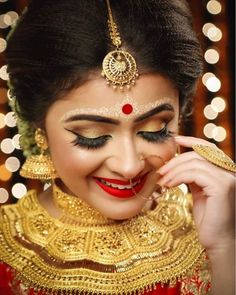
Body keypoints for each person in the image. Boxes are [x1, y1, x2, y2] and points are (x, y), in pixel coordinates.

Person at [0, 0, 235, 294]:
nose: (129, 166)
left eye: (155, 130)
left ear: (180, 112)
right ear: (40, 128)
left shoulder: (219, 226)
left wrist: (225, 248)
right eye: (92, 135)